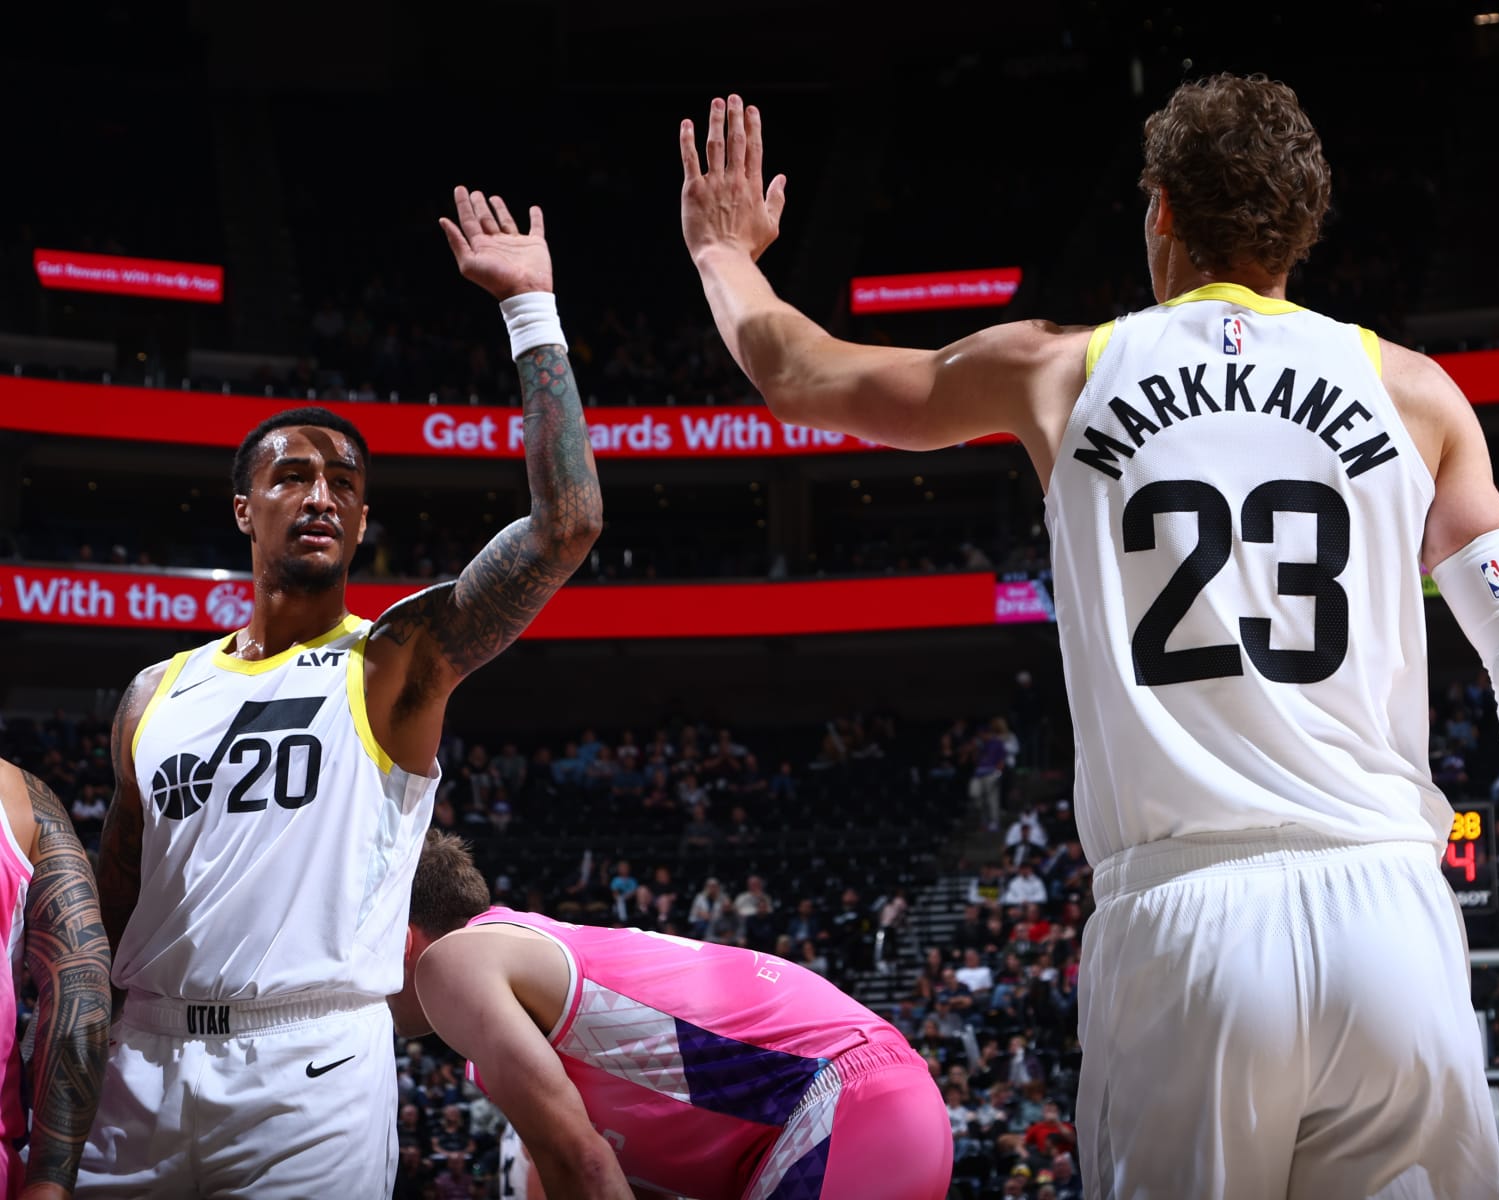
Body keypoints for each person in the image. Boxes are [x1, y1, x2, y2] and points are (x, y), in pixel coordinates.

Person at [678, 77, 1499, 1197]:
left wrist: (726, 253)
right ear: (1302, 226)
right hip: (1393, 915)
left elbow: (799, 373)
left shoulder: (1060, 368)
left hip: (1188, 927)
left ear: (1159, 213)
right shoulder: (1418, 395)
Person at [82, 186, 604, 1197]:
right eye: (293, 475)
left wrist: (529, 311)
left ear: (361, 522)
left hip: (310, 1066)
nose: (321, 494)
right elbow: (115, 893)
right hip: (137, 1062)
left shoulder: (396, 656)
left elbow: (566, 526)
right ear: (245, 507)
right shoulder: (156, 690)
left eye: (345, 482)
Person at [388, 832, 953, 1199]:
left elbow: (584, 1166)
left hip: (834, 1100)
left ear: (405, 941)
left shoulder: (455, 961)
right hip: (854, 1111)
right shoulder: (514, 973)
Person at [0, 760, 112, 1199]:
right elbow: (81, 980)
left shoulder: (23, 800)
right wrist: (50, 1179)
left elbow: (79, 982)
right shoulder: (22, 798)